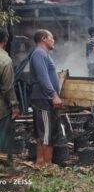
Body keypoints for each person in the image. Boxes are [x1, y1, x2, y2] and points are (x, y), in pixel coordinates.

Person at [29, 29, 63, 168]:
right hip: (43, 99)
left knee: (42, 131)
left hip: (44, 98)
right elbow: (43, 78)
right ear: (44, 38)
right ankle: (47, 165)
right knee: (47, 131)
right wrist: (54, 95)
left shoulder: (43, 54)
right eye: (51, 37)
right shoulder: (39, 53)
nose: (53, 40)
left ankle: (40, 162)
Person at [0, 28, 19, 165]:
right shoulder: (5, 60)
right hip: (2, 108)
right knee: (4, 135)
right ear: (5, 40)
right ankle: (5, 166)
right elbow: (7, 88)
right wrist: (14, 105)